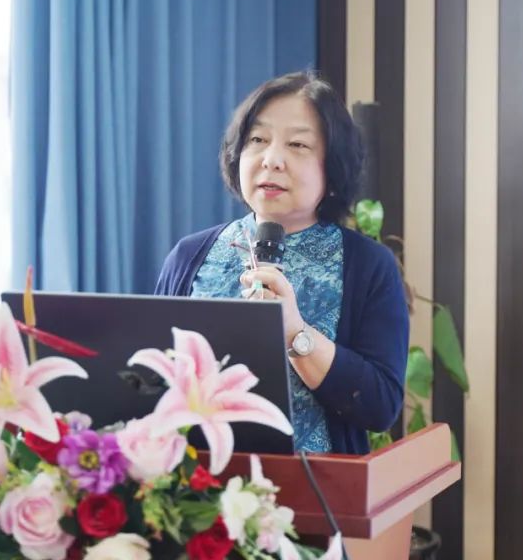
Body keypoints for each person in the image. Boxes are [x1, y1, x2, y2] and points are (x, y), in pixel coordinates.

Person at [154, 71, 408, 455]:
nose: (271, 160)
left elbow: (380, 406)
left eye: (298, 144)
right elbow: (155, 381)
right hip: (199, 483)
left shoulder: (369, 266)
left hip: (318, 486)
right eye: (257, 140)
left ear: (333, 168)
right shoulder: (189, 256)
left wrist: (295, 334)